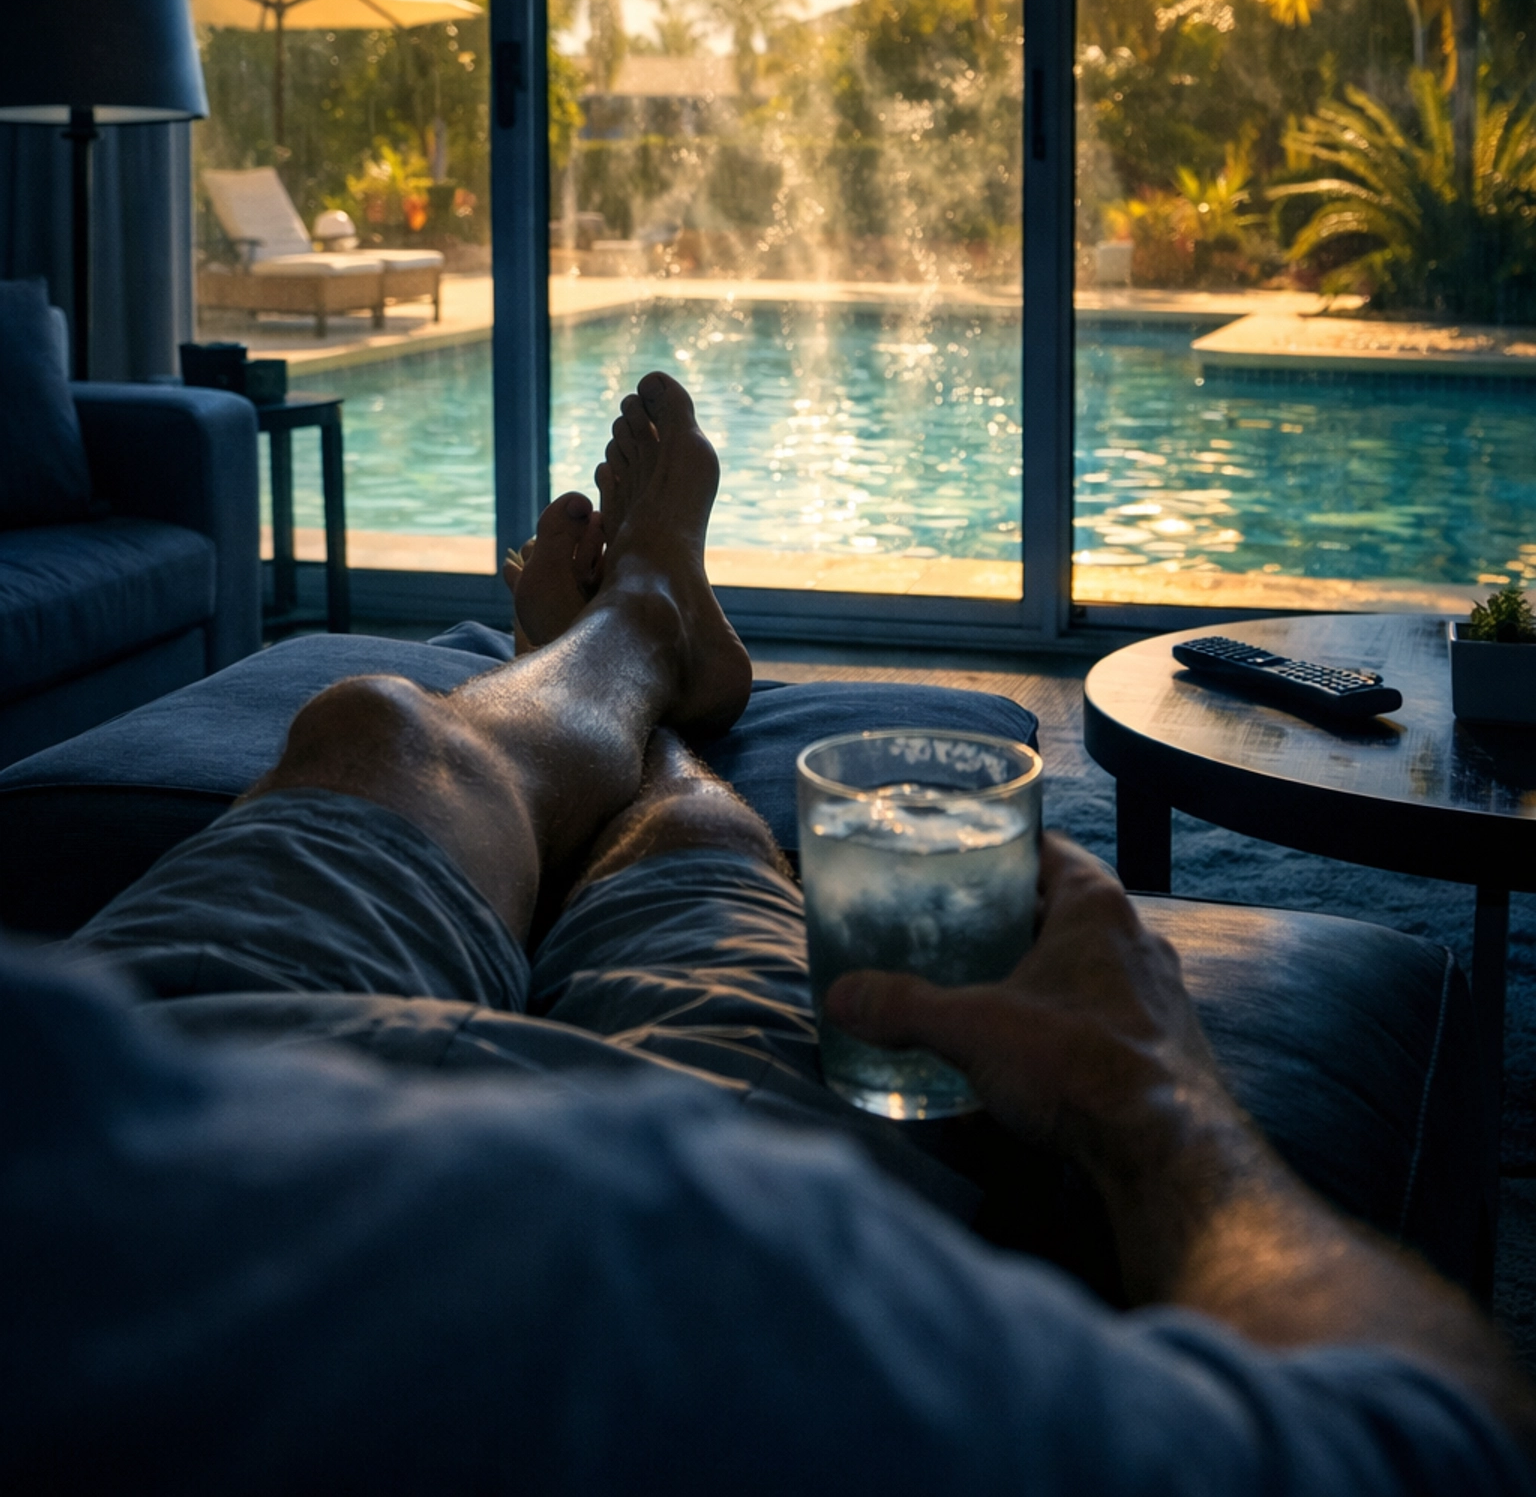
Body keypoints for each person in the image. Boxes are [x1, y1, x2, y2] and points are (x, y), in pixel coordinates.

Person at [3, 372, 1532, 1494]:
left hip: (146, 1067)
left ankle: (619, 643)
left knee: (377, 729)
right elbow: (1428, 1436)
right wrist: (1155, 1089)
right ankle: (647, 634)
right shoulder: (714, 1339)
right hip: (632, 1142)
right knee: (692, 849)